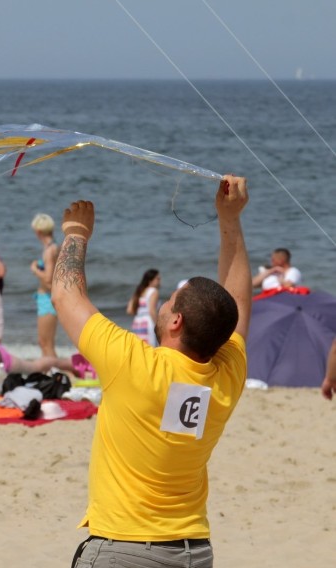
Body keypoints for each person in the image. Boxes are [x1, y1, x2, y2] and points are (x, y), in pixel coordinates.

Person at [54, 176, 251, 568]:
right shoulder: (227, 373)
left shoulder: (134, 364)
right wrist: (230, 219)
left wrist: (76, 234)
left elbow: (64, 293)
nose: (162, 304)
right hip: (193, 551)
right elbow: (239, 301)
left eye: (170, 302)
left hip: (125, 549)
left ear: (175, 321)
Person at [30, 213, 59, 357]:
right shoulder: (54, 247)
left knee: (45, 343)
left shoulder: (49, 251)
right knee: (47, 343)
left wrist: (35, 270)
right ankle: (51, 372)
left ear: (38, 232)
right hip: (47, 299)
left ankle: (54, 374)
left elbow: (48, 280)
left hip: (47, 300)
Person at [126, 268, 161, 347]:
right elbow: (152, 311)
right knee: (151, 348)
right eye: (158, 279)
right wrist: (158, 327)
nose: (160, 281)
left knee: (140, 348)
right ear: (150, 280)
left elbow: (129, 310)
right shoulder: (153, 291)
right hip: (148, 323)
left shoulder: (139, 291)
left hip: (137, 323)